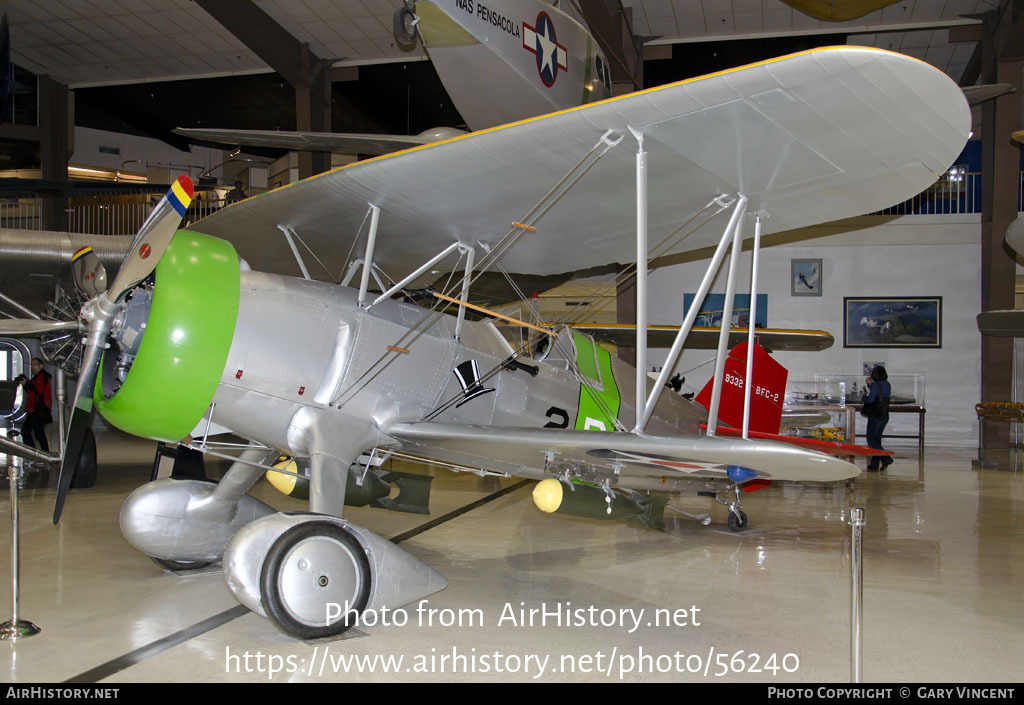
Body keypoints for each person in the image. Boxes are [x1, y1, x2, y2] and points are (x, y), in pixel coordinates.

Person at [861, 365, 892, 471]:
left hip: (875, 416)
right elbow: (880, 394)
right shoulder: (887, 384)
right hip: (884, 416)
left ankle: (886, 458)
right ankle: (874, 465)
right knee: (876, 440)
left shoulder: (875, 385)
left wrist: (863, 396)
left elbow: (870, 400)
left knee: (871, 439)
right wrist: (871, 385)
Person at [19, 358, 53, 452]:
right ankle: (42, 453)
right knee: (38, 433)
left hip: (38, 410)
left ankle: (35, 453)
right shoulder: (38, 377)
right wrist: (26, 384)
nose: (32, 367)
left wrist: (27, 384)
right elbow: (32, 391)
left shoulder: (42, 376)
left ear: (41, 366)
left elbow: (39, 390)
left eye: (35, 364)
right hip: (36, 410)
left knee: (27, 432)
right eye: (32, 365)